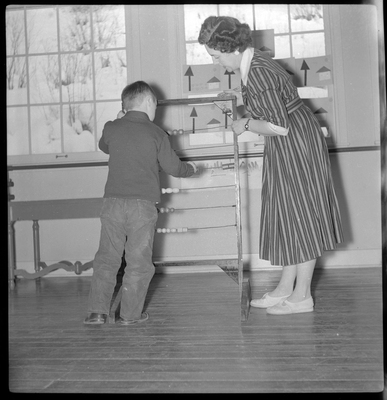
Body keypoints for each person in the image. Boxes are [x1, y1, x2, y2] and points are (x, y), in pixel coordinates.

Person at [198, 16, 344, 315]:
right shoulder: (253, 64)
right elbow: (271, 105)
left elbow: (278, 126)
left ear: (230, 48)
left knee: (301, 214)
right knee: (288, 213)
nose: (216, 63)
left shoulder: (258, 71)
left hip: (295, 143)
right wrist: (240, 101)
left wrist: (245, 123)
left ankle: (302, 296)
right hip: (292, 142)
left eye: (215, 56)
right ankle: (284, 289)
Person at [84, 81, 197, 325]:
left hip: (112, 204)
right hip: (142, 207)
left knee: (106, 257)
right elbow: (173, 167)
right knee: (138, 262)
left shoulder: (112, 127)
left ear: (125, 105)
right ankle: (129, 315)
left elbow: (104, 146)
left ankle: (97, 312)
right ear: (149, 102)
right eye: (155, 106)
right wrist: (190, 169)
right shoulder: (157, 133)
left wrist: (116, 120)